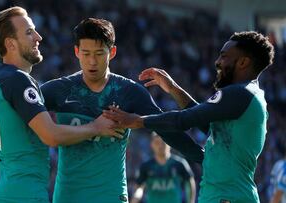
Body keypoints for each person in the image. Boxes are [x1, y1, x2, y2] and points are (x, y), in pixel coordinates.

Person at [0, 18, 204, 203]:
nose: (92, 61)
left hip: (111, 195)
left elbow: (166, 128)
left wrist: (204, 158)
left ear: (111, 52)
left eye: (99, 54)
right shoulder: (60, 89)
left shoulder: (129, 92)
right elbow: (14, 112)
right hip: (67, 194)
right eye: (86, 53)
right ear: (76, 52)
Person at [0, 7, 121, 203]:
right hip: (24, 194)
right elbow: (50, 135)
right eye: (29, 32)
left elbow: (9, 118)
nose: (38, 37)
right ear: (10, 44)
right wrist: (96, 127)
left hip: (1, 193)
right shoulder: (19, 81)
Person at [103, 31, 275, 203]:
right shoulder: (249, 97)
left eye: (224, 56)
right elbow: (204, 123)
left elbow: (185, 120)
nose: (217, 62)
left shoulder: (239, 93)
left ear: (243, 62)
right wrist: (173, 89)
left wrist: (138, 121)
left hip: (228, 198)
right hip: (226, 195)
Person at [131, 132, 195, 203]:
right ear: (151, 145)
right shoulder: (146, 166)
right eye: (157, 142)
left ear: (169, 143)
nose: (160, 146)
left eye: (163, 142)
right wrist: (135, 198)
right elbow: (139, 188)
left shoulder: (180, 164)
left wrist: (191, 201)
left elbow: (190, 183)